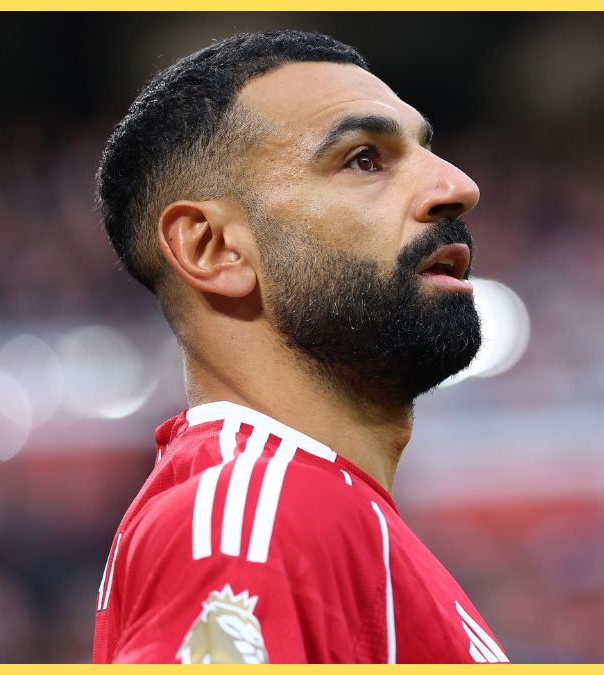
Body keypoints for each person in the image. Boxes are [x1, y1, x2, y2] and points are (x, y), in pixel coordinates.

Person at [91, 30, 508, 664]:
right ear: (213, 248)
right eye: (364, 158)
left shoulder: (322, 519)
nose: (458, 186)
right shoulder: (253, 524)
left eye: (427, 149)